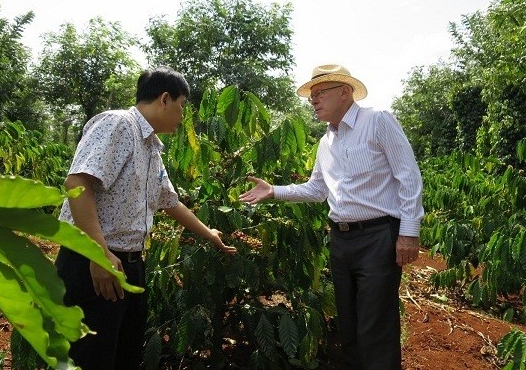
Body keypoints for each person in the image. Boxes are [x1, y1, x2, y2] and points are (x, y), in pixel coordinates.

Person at [239, 64, 423, 370]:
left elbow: (408, 176)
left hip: (378, 237)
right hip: (341, 240)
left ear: (345, 92)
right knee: (348, 326)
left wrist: (409, 232)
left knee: (375, 328)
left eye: (320, 93)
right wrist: (274, 191)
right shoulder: (326, 142)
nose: (313, 100)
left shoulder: (377, 121)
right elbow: (317, 189)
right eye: (311, 95)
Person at [55, 66, 237, 370]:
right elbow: (78, 183)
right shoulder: (117, 125)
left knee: (122, 356)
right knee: (87, 359)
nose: (182, 115)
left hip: (129, 265)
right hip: (93, 264)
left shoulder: (152, 148)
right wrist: (98, 253)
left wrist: (209, 234)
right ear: (164, 99)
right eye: (181, 106)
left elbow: (170, 202)